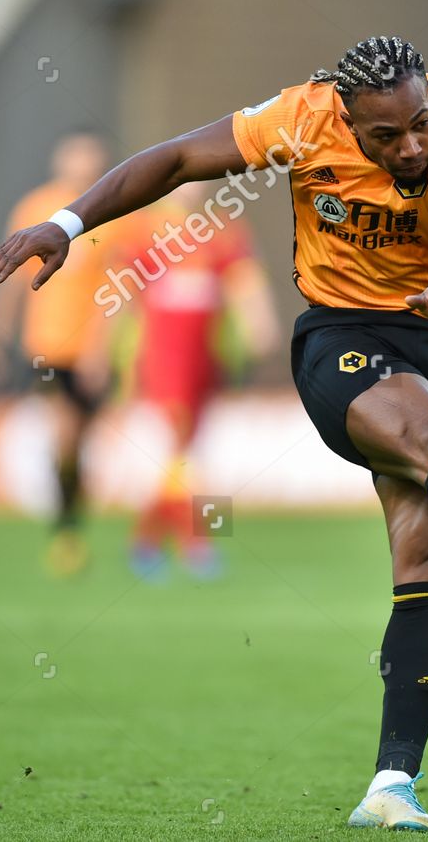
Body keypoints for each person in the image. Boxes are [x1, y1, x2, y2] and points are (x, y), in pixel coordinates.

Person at [0, 36, 428, 832]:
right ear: (346, 119)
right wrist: (68, 222)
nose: (410, 146)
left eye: (416, 125)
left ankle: (391, 785)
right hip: (342, 335)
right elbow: (173, 162)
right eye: (387, 136)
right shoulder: (300, 118)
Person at [0, 130, 143, 577]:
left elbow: (119, 292)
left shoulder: (111, 218)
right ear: (60, 159)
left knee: (81, 445)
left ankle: (72, 526)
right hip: (46, 349)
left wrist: (100, 351)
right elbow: (10, 281)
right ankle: (65, 534)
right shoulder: (35, 208)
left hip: (90, 353)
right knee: (64, 433)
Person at [121, 182, 277, 580]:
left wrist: (261, 327)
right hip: (163, 360)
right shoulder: (144, 230)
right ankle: (185, 542)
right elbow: (123, 298)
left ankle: (152, 542)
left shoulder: (222, 229)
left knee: (189, 453)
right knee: (177, 448)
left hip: (207, 359)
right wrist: (117, 361)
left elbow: (245, 281)